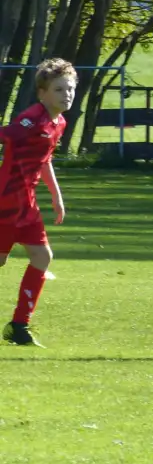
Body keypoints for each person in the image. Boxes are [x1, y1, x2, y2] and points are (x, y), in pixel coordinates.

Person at [0, 58, 75, 347]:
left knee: (42, 258)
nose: (66, 94)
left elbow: (45, 160)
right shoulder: (32, 119)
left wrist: (56, 195)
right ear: (42, 92)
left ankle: (19, 325)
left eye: (69, 89)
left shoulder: (59, 122)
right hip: (6, 201)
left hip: (27, 203)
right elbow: (9, 135)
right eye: (59, 89)